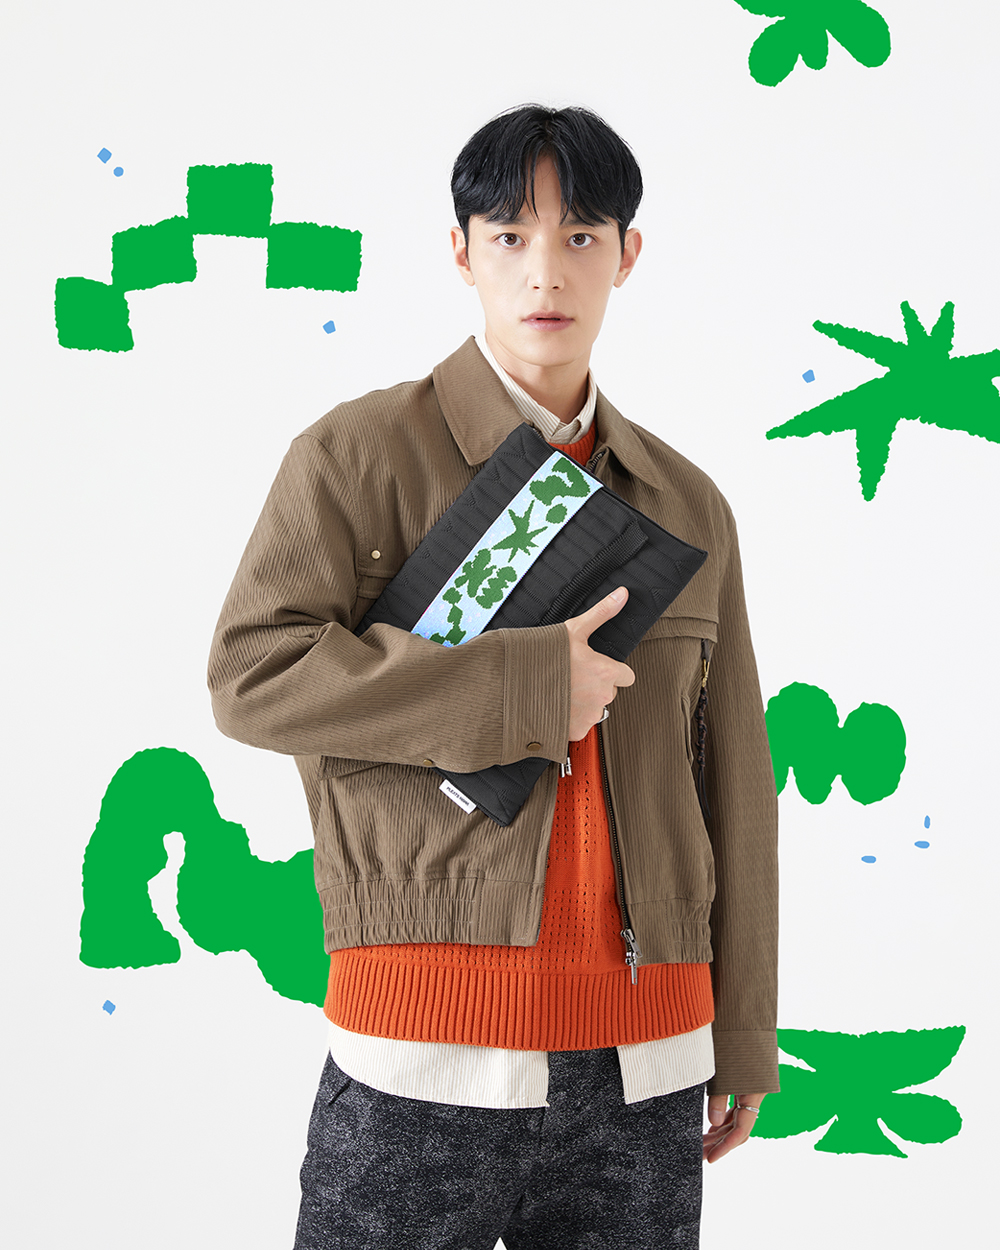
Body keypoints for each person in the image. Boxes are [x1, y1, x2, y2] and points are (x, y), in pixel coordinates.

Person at [208, 103, 779, 1250]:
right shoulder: (357, 457)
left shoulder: (687, 501)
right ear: (460, 252)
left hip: (646, 1057)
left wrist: (744, 1029)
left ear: (627, 254)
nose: (545, 270)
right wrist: (517, 689)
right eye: (510, 234)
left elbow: (733, 772)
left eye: (581, 235)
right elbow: (252, 675)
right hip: (418, 1045)